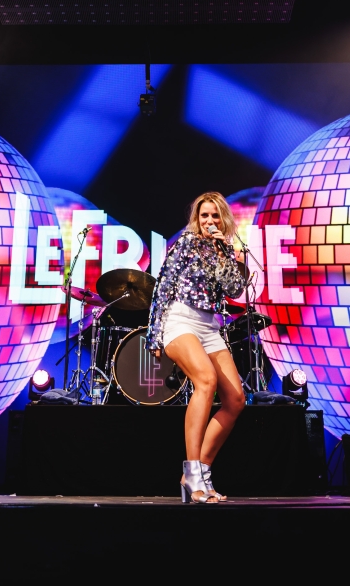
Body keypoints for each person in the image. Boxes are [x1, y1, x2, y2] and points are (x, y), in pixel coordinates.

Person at [147, 192, 248, 503]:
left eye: (215, 216)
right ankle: (192, 473)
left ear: (223, 219)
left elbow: (234, 290)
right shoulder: (186, 243)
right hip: (179, 319)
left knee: (236, 400)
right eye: (204, 215)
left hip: (209, 324)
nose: (209, 221)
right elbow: (162, 286)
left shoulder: (224, 250)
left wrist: (227, 253)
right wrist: (154, 333)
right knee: (206, 380)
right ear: (197, 218)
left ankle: (200, 473)